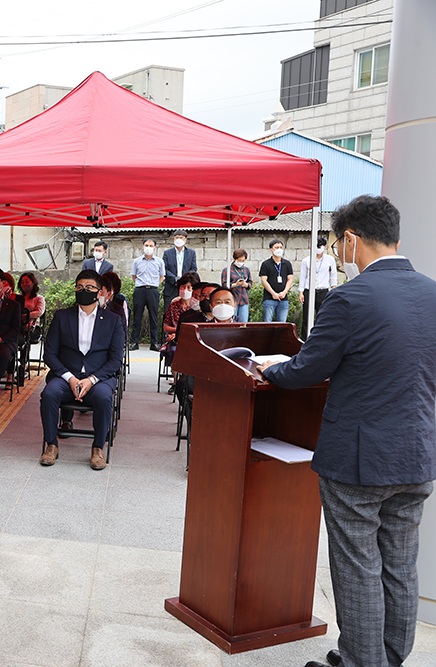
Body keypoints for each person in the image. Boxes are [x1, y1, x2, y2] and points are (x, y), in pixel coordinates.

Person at [257, 195, 436, 667]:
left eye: (338, 243)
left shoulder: (349, 298)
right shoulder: (433, 292)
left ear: (351, 238)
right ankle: (388, 657)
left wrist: (271, 367)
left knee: (357, 566)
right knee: (399, 564)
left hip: (358, 460)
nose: (338, 252)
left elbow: (305, 370)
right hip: (417, 454)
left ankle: (361, 662)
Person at [39, 270, 124, 470]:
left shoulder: (113, 320)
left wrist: (91, 380)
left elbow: (115, 360)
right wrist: (69, 378)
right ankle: (51, 445)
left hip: (98, 379)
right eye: (79, 287)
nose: (83, 291)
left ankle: (97, 448)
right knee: (49, 394)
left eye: (89, 288)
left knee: (104, 398)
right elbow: (49, 354)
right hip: (66, 376)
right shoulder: (62, 316)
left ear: (99, 291)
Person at [299, 237, 338, 339]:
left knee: (324, 316)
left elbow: (333, 274)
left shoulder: (330, 259)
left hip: (323, 291)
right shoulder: (306, 260)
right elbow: (303, 276)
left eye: (319, 246)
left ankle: (323, 338)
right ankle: (304, 339)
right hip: (309, 290)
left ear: (325, 247)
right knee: (307, 318)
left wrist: (334, 287)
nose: (317, 249)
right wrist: (301, 292)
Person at [130, 238, 163, 351]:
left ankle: (154, 343)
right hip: (140, 290)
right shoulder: (137, 261)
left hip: (153, 290)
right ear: (143, 246)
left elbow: (162, 276)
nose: (148, 247)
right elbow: (134, 276)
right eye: (146, 245)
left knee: (153, 317)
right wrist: (141, 284)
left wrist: (154, 285)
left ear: (155, 247)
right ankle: (135, 342)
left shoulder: (159, 261)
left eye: (151, 245)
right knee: (137, 317)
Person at [162, 229, 198, 318]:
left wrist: (184, 280)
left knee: (186, 312)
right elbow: (164, 269)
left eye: (181, 237)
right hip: (171, 286)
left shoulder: (191, 253)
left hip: (185, 287)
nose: (178, 239)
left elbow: (193, 268)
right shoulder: (167, 253)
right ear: (173, 239)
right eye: (176, 237)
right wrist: (174, 279)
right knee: (168, 313)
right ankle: (167, 332)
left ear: (185, 240)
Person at [259, 239, 294, 322]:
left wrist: (284, 292)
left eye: (281, 247)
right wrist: (273, 293)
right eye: (276, 247)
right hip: (269, 298)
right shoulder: (266, 264)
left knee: (282, 324)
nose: (279, 249)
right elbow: (264, 280)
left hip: (283, 299)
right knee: (267, 322)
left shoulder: (287, 264)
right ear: (271, 250)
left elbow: (290, 279)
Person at [221, 249, 253, 323]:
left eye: (243, 260)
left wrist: (246, 284)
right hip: (232, 299)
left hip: (244, 299)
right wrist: (235, 284)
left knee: (244, 322)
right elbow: (224, 285)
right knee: (232, 321)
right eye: (239, 260)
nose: (241, 262)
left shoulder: (246, 270)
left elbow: (250, 283)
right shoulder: (227, 270)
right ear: (234, 259)